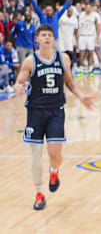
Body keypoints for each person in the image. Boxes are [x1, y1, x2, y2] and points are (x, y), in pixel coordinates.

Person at [13, 24, 95, 210]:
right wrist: (18, 88)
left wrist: (81, 96)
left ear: (54, 39)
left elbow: (69, 82)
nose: (47, 38)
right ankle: (39, 193)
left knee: (55, 155)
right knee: (35, 154)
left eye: (50, 35)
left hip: (56, 111)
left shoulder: (63, 58)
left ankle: (54, 170)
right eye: (43, 35)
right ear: (37, 39)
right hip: (35, 111)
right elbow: (20, 82)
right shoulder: (30, 61)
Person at [77, 3, 101, 76]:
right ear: (85, 8)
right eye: (86, 8)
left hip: (91, 36)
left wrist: (97, 37)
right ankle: (81, 70)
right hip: (82, 36)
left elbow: (99, 26)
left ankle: (90, 70)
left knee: (91, 53)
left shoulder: (95, 15)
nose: (88, 9)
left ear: (91, 8)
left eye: (89, 8)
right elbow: (79, 27)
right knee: (82, 53)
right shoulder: (81, 15)